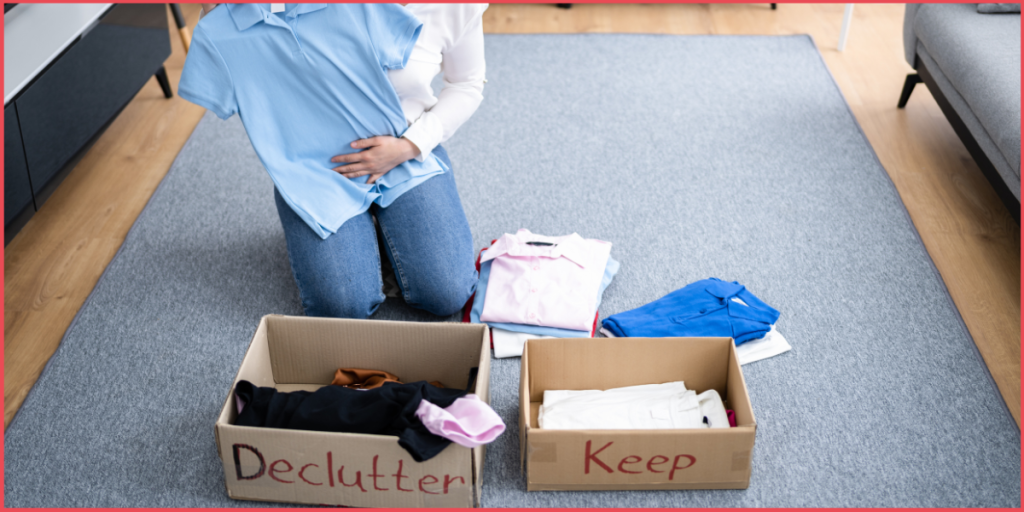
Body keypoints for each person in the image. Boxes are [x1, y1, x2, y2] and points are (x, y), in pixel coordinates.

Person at [183, 3, 487, 319]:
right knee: (341, 309)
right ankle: (350, 230)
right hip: (316, 168)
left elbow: (467, 84)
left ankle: (385, 229)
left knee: (448, 294)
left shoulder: (444, 8)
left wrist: (411, 145)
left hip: (406, 148)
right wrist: (218, 15)